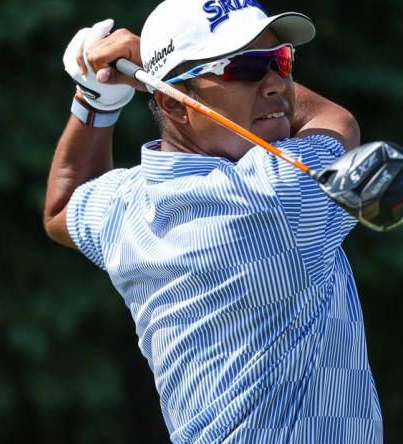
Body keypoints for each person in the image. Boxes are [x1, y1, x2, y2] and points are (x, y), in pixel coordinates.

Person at [44, 0, 383, 442]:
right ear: (176, 104)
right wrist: (150, 67)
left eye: (281, 60)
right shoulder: (278, 197)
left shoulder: (128, 206)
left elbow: (62, 206)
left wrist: (95, 101)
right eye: (243, 68)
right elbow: (336, 122)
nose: (277, 83)